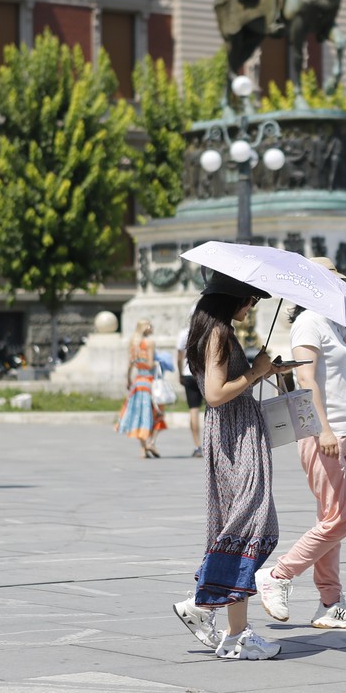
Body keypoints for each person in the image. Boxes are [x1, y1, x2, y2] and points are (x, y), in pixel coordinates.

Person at [255, 257, 346, 631]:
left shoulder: (332, 321)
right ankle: (278, 576)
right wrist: (323, 430)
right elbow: (306, 379)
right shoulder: (309, 323)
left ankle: (330, 603)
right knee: (339, 521)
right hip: (324, 435)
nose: (338, 286)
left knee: (330, 520)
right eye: (332, 281)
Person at [172, 272, 291, 660]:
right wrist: (255, 372)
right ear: (232, 299)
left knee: (240, 525)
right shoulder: (219, 334)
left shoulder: (215, 332)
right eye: (249, 300)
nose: (251, 306)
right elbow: (215, 393)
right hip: (233, 436)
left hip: (236, 432)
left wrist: (265, 372)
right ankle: (202, 603)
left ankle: (236, 632)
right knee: (249, 522)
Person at [116, 319, 166, 459]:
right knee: (157, 413)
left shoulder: (133, 343)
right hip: (149, 382)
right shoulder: (149, 343)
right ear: (146, 327)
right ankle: (151, 443)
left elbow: (129, 365)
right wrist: (158, 362)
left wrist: (128, 380)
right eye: (150, 324)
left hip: (138, 382)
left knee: (140, 415)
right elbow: (149, 364)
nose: (152, 327)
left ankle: (143, 449)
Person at [176, 315, 204, 458]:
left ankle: (197, 445)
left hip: (188, 373)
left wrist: (180, 373)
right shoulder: (204, 331)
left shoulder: (183, 334)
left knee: (193, 410)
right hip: (203, 374)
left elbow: (180, 356)